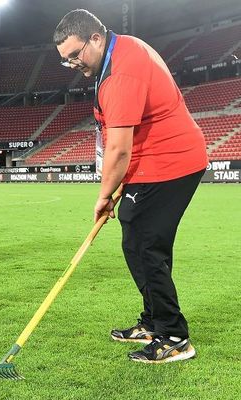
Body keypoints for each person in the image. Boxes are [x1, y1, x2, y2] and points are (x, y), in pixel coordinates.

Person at [54, 9, 208, 363]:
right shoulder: (118, 51)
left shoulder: (120, 72)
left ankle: (174, 337)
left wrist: (104, 196)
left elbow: (119, 148)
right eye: (66, 60)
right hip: (152, 163)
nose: (73, 63)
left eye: (76, 54)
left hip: (170, 162)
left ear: (96, 37)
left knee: (146, 246)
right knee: (136, 240)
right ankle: (154, 321)